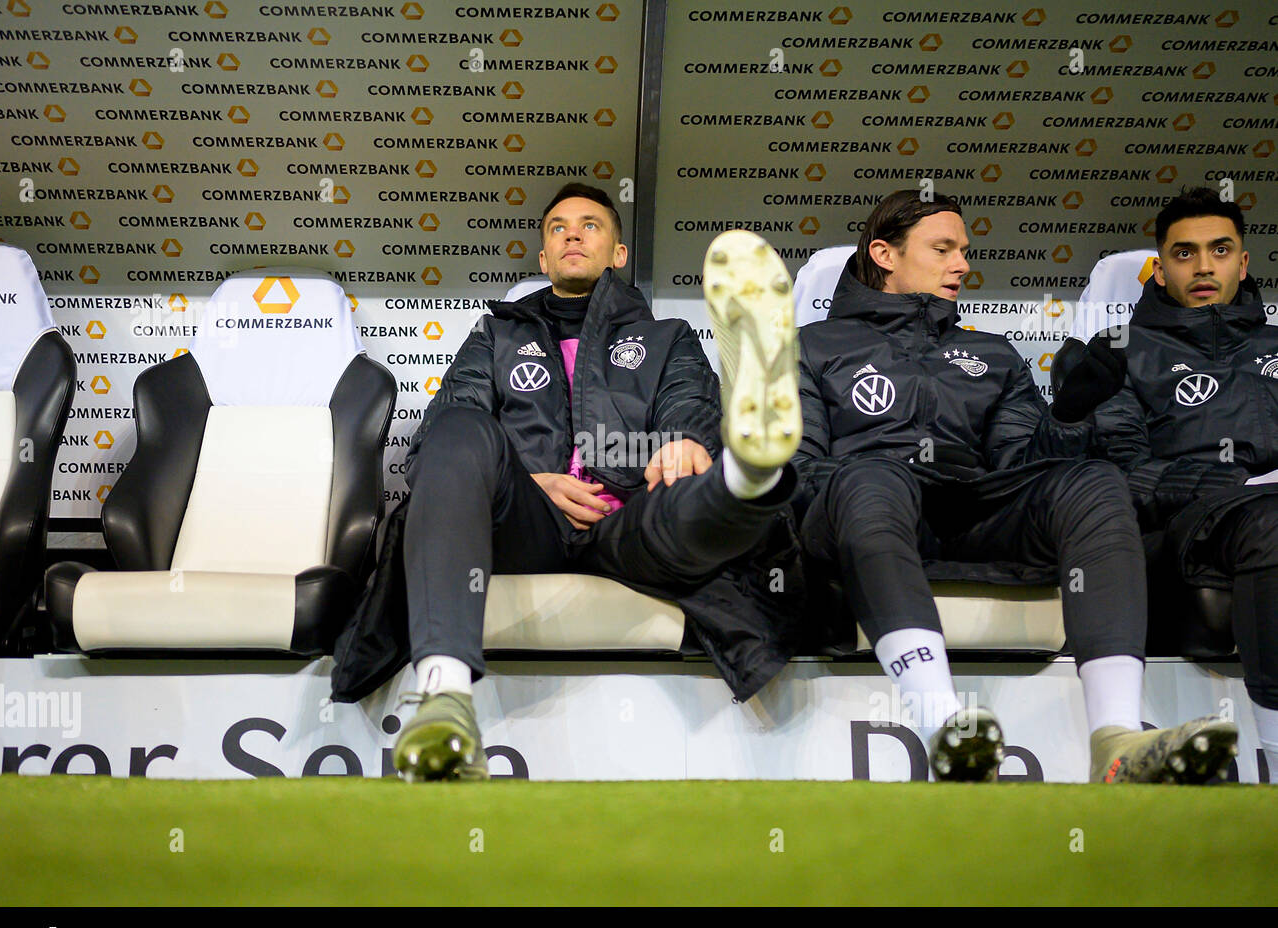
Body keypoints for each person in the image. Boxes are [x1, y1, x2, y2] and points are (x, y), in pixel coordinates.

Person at [336, 183, 803, 780]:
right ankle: (444, 695)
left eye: (590, 225)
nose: (572, 234)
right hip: (530, 524)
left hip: (630, 522)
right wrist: (535, 481)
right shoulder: (494, 336)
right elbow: (430, 447)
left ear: (619, 254)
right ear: (542, 259)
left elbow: (686, 405)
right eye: (557, 228)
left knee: (691, 473)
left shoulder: (668, 340)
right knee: (455, 427)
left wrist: (688, 440)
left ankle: (749, 466)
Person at [794, 188, 1238, 783]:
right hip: (861, 514)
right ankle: (942, 722)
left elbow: (1024, 464)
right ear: (885, 254)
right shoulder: (811, 347)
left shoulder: (993, 352)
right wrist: (876, 473)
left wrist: (1070, 414)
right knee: (874, 479)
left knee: (1093, 481)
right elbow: (795, 470)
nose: (962, 264)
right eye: (943, 248)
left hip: (970, 510)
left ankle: (1117, 738)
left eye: (965, 250)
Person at [1086, 186, 1277, 781]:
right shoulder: (1121, 352)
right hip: (1187, 529)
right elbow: (1122, 472)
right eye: (1184, 253)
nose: (1203, 266)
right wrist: (1233, 484)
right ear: (1161, 266)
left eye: (1220, 250)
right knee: (1270, 521)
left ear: (1243, 263)